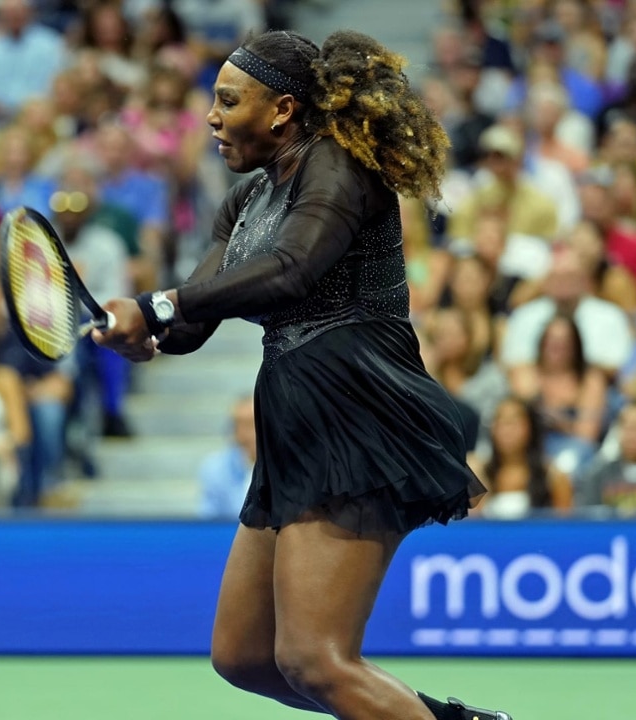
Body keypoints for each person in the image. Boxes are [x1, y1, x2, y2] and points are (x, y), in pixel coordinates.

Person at [91, 30, 509, 720]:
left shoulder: (340, 165)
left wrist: (157, 305)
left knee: (316, 658)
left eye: (228, 101)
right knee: (245, 656)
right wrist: (147, 332)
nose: (211, 118)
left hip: (359, 410)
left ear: (283, 110)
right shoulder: (244, 201)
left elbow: (292, 270)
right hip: (292, 416)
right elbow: (195, 321)